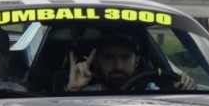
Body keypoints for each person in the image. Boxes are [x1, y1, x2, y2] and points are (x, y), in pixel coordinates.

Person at [65, 34, 196, 92]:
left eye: (125, 58)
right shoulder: (83, 97)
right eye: (109, 58)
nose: (117, 66)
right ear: (97, 63)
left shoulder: (156, 94)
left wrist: (185, 93)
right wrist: (72, 90)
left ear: (136, 61)